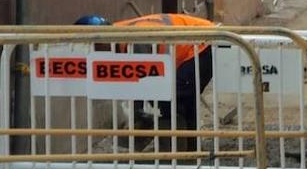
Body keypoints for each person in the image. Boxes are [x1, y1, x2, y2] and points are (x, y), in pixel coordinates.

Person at [75, 13, 215, 135]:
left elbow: (146, 82)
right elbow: (139, 81)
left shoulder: (135, 42)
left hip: (202, 42)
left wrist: (140, 111)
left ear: (98, 43)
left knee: (174, 97)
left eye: (92, 48)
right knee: (177, 98)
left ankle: (180, 150)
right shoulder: (113, 33)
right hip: (195, 38)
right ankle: (185, 150)